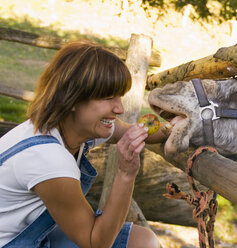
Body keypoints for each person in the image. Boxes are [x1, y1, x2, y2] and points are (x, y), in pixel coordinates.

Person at [0, 41, 167, 247]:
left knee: (143, 241)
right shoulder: (48, 159)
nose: (119, 108)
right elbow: (95, 243)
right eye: (108, 98)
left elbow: (133, 131)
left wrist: (178, 128)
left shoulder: (72, 126)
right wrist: (126, 174)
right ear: (73, 99)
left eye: (119, 97)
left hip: (35, 236)